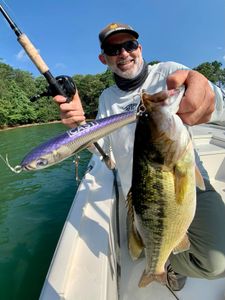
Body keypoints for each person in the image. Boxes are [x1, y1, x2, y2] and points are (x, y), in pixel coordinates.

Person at [54, 23, 225, 291]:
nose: (124, 53)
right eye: (113, 49)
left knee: (218, 263)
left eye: (130, 45)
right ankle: (164, 263)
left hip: (186, 179)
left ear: (140, 48)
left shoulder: (168, 72)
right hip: (139, 195)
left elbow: (214, 99)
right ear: (104, 59)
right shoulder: (107, 99)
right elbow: (99, 146)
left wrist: (208, 93)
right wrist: (80, 126)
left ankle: (170, 262)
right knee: (141, 248)